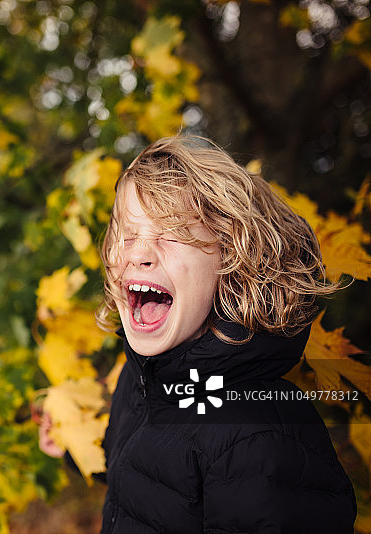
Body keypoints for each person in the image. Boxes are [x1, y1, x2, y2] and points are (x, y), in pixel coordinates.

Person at [41, 136, 357, 533]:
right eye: (126, 234)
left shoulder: (256, 441)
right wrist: (72, 446)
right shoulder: (144, 379)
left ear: (234, 259)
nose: (138, 253)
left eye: (172, 234)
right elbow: (148, 480)